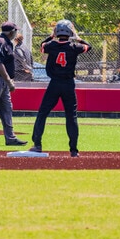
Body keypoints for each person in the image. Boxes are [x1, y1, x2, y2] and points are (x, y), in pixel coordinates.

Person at [29, 19, 91, 157]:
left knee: (43, 113)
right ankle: (74, 150)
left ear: (57, 32)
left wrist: (51, 35)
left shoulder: (51, 45)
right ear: (70, 32)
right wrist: (78, 37)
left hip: (54, 83)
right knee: (71, 116)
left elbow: (42, 45)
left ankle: (37, 144)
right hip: (69, 84)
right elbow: (88, 46)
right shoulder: (75, 47)